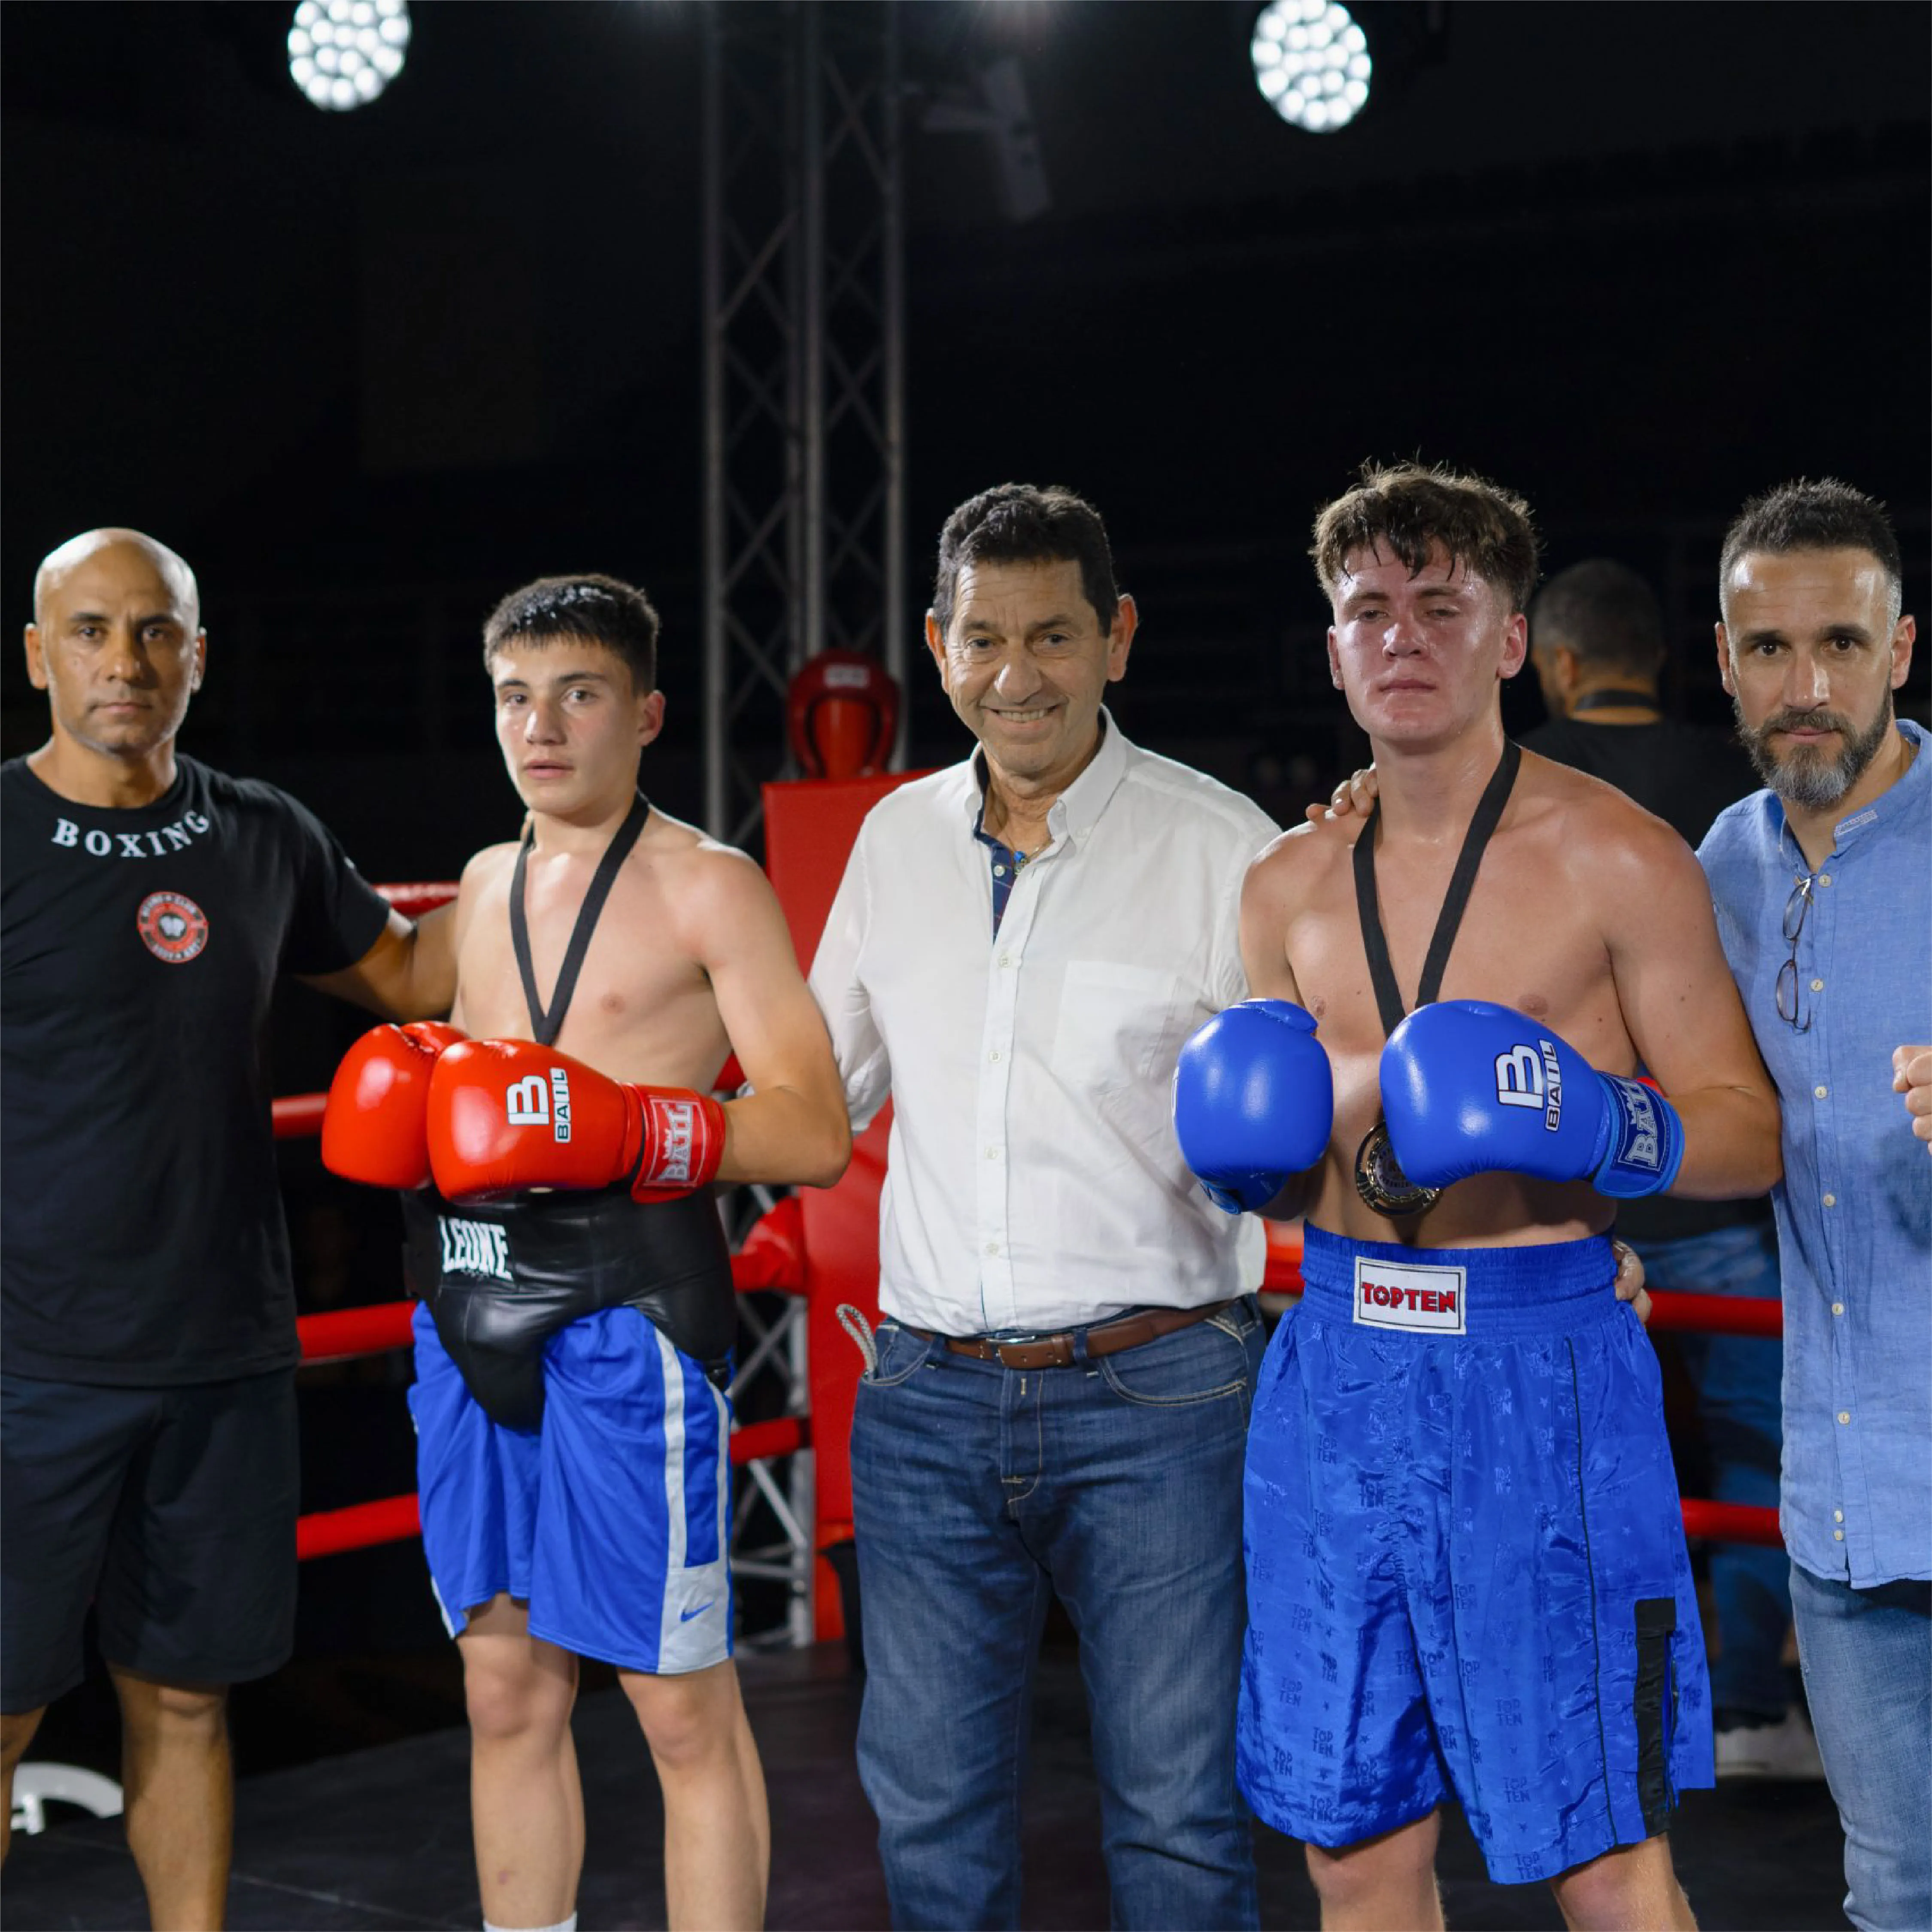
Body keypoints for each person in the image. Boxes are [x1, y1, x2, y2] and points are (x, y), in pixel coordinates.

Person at [1175, 461, 1782, 1929]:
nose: (1401, 636)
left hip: (1540, 1374)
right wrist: (1254, 1152)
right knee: (1355, 1846)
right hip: (1332, 1372)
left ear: (1511, 638)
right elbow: (1298, 1154)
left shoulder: (1617, 859)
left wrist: (1589, 1121)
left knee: (1600, 1843)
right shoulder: (1281, 882)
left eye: (1439, 605)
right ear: (1330, 647)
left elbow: (1745, 1135)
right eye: (1366, 608)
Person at [322, 572, 850, 1932]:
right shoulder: (488, 882)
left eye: (579, 693)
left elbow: (808, 1126)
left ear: (647, 712)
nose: (541, 724)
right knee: (504, 1681)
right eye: (515, 695)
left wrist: (633, 1128)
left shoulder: (708, 886)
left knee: (677, 1702)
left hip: (626, 1315)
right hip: (463, 1301)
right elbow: (376, 971)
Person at [806, 482, 1281, 1930]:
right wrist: (620, 1114)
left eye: (1055, 635)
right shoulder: (891, 841)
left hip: (1164, 1392)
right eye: (986, 638)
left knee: (1182, 1816)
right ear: (939, 645)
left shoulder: (1225, 846)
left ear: (1116, 638)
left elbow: (1317, 1116)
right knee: (931, 1816)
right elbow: (816, 1089)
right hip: (926, 1395)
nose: (1018, 675)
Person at [1, 528, 456, 1929]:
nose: (122, 661)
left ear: (198, 655)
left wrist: (554, 871)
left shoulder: (260, 831)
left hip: (222, 1354)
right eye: (90, 630)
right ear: (38, 654)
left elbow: (403, 969)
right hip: (29, 1366)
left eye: (153, 632)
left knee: (189, 1697)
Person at [1525, 559, 1819, 1779]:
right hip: (1719, 1169)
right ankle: (1746, 1704)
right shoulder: (1740, 788)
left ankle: (1554, 1706)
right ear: (1672, 659)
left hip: (1553, 1185)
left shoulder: (1513, 783)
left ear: (1556, 663)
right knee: (1762, 1450)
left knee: (1543, 1452)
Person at [1700, 479, 1929, 1932]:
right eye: (1768, 649)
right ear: (1721, 659)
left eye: (1838, 644)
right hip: (1844, 1500)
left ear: (1900, 648)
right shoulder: (1718, 866)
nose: (1807, 688)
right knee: (1891, 1890)